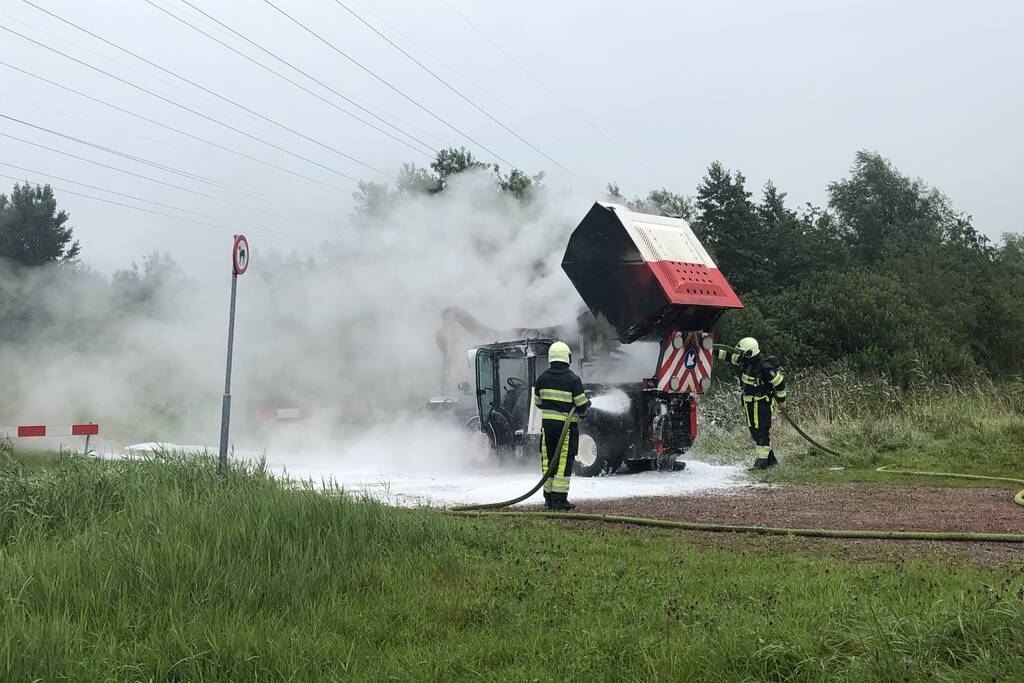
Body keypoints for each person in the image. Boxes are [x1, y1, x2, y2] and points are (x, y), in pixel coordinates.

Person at [533, 340, 590, 510]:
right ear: (567, 358)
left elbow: (538, 402)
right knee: (563, 462)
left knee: (548, 461)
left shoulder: (542, 379)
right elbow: (581, 407)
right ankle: (560, 500)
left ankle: (549, 499)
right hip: (566, 429)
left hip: (547, 428)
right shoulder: (573, 379)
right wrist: (585, 408)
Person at [716, 337, 788, 470]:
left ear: (749, 353)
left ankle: (761, 463)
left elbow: (780, 382)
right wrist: (710, 350)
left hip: (761, 403)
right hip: (749, 402)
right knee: (755, 433)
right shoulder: (745, 362)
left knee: (762, 432)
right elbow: (728, 355)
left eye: (742, 353)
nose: (739, 355)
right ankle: (771, 460)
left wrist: (782, 401)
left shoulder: (764, 367)